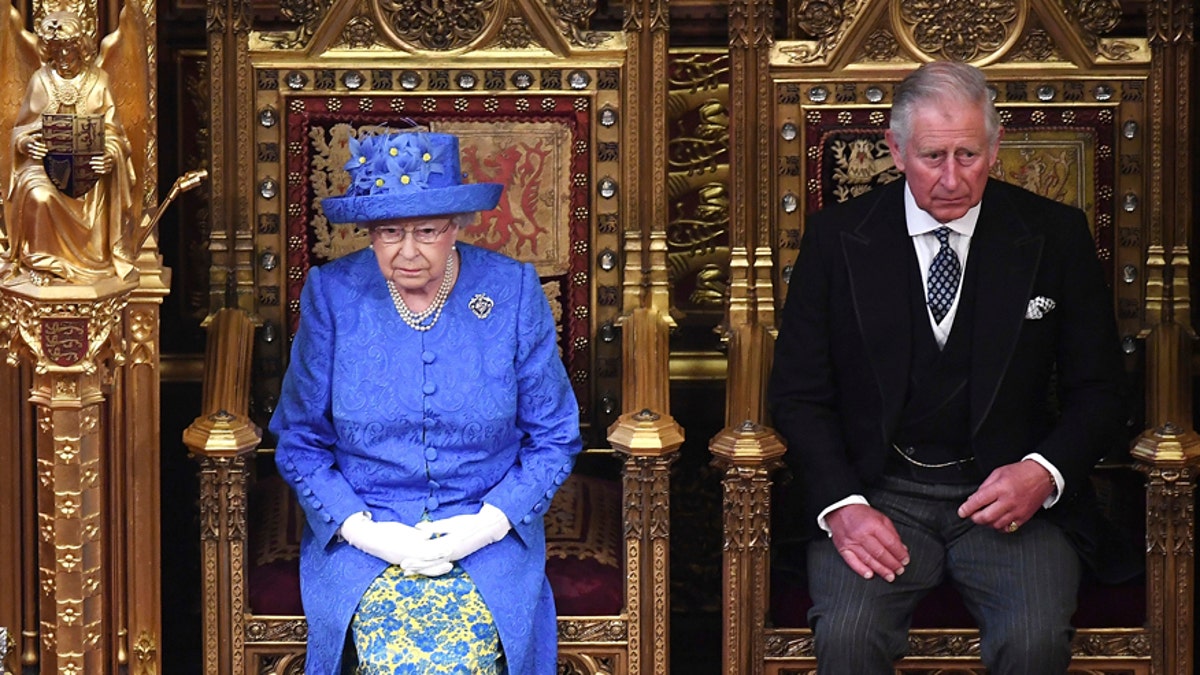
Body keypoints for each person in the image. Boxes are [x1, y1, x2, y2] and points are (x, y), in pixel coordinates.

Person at [768, 61, 1124, 674]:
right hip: (877, 490)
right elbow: (799, 395)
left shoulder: (1055, 236)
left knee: (1035, 640)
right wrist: (843, 505)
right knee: (849, 637)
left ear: (995, 147)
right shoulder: (836, 238)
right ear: (896, 149)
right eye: (934, 156)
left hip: (1011, 497)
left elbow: (1102, 391)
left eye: (969, 154)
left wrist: (1043, 473)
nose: (953, 179)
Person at [271, 130, 582, 674]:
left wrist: (488, 524)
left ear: (457, 227)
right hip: (367, 536)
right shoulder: (333, 295)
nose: (408, 251)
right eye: (390, 232)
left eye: (427, 231)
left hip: (487, 534)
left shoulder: (510, 291)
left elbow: (555, 435)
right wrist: (362, 530)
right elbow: (299, 440)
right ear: (369, 232)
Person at [5, 10, 136, 283]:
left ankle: (95, 259)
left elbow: (115, 135)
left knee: (96, 188)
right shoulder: (40, 80)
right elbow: (21, 129)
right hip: (44, 168)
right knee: (37, 195)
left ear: (80, 48)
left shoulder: (99, 80)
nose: (63, 58)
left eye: (68, 50)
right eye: (56, 50)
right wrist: (27, 143)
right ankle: (41, 264)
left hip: (88, 171)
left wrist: (109, 157)